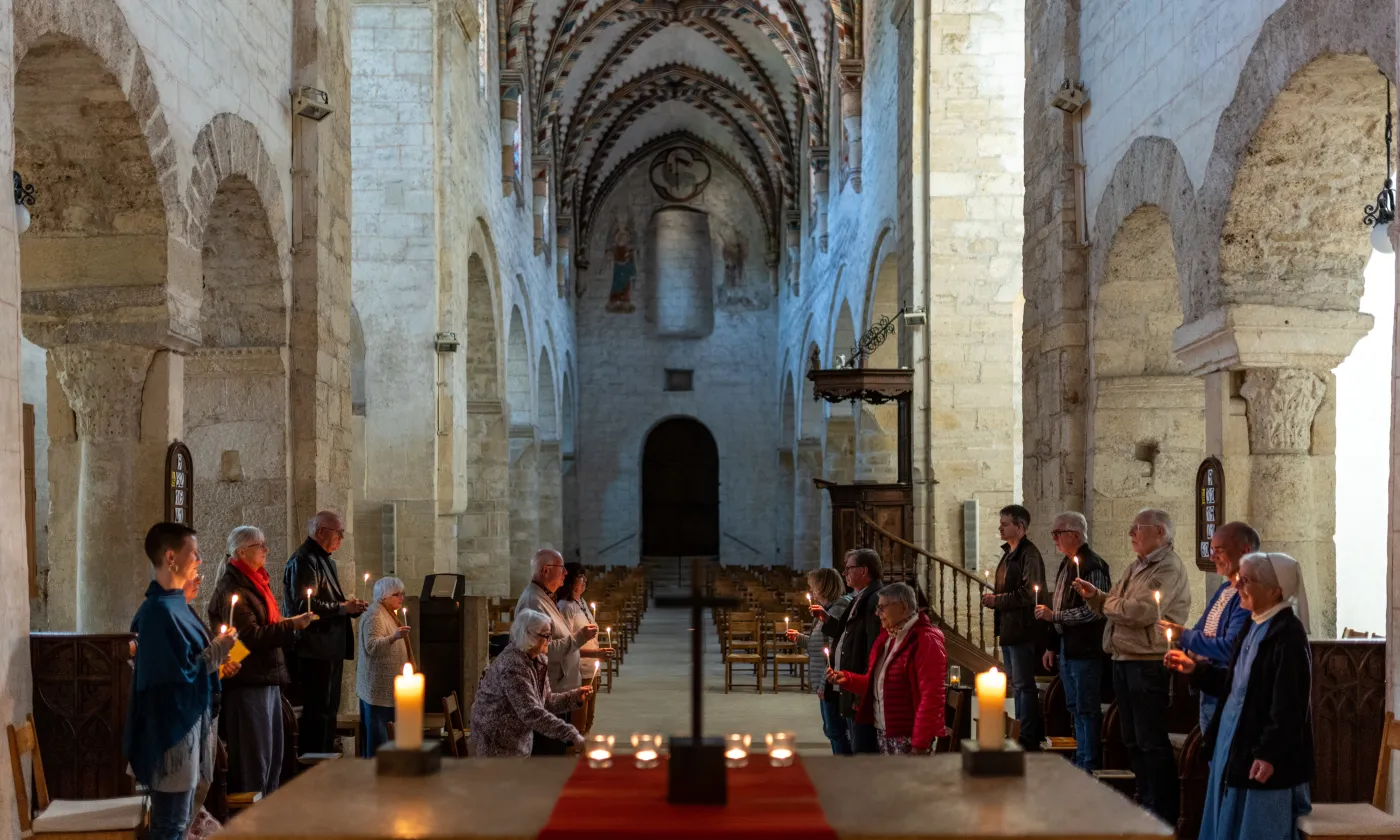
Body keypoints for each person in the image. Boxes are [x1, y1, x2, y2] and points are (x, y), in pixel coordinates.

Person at [1165, 552, 1313, 840]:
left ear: (1275, 590)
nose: (1236, 587)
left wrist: (1269, 754)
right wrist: (1195, 669)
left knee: (1256, 828)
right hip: (1234, 744)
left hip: (1263, 754)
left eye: (1246, 580)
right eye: (1238, 579)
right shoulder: (1253, 624)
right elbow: (1238, 685)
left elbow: (1288, 705)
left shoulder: (1287, 635)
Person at [1073, 508, 1190, 826]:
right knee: (1132, 739)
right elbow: (1116, 602)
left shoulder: (1167, 569)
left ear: (1161, 533)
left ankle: (1161, 811)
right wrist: (1095, 596)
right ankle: (1145, 801)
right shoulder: (1137, 566)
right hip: (1124, 659)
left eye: (1138, 527)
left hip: (1148, 663)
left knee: (1150, 740)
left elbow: (1142, 612)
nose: (1131, 533)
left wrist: (1108, 603)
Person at [125, 523, 235, 840]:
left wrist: (217, 659)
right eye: (194, 552)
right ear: (171, 557)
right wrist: (218, 651)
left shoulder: (175, 604)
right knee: (170, 825)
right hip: (171, 735)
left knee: (180, 821)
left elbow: (190, 661)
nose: (200, 559)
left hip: (189, 728)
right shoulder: (158, 612)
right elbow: (173, 678)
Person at [206, 526, 313, 795]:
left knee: (273, 752)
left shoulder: (255, 582)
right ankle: (252, 820)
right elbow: (250, 636)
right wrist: (291, 627)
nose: (266, 549)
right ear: (241, 552)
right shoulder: (233, 587)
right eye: (260, 545)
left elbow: (266, 624)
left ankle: (268, 811)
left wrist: (287, 625)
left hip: (266, 677)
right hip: (247, 679)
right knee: (255, 756)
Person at [827, 583, 947, 755]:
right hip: (885, 731)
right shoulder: (887, 638)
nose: (877, 613)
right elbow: (878, 684)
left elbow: (932, 696)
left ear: (903, 607)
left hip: (909, 735)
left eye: (882, 607)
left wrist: (920, 743)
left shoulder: (925, 640)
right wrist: (847, 679)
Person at [283, 511, 367, 755]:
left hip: (330, 648)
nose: (341, 537)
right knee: (317, 713)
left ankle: (326, 758)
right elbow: (304, 607)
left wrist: (349, 609)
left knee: (329, 711)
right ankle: (315, 767)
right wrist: (343, 607)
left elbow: (327, 602)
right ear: (320, 532)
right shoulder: (303, 560)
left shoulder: (326, 560)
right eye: (338, 532)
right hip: (314, 650)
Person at [1161, 521, 1255, 734]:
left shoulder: (1248, 597)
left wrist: (1184, 636)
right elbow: (1201, 630)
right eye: (1212, 551)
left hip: (1226, 689)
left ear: (1245, 551)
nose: (1213, 557)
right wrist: (1188, 650)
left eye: (1219, 551)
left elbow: (1230, 647)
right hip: (1207, 686)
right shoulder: (1224, 589)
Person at [1035, 511, 1110, 771]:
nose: (1054, 537)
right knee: (1074, 707)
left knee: (1086, 708)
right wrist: (1052, 645)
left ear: (1076, 535)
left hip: (1087, 649)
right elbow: (1060, 603)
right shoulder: (1066, 563)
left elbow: (1093, 611)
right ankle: (1079, 759)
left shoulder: (1093, 565)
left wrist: (1053, 616)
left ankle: (1088, 764)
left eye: (1059, 533)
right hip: (1069, 647)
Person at [469, 609, 595, 757]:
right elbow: (531, 712)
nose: (550, 640)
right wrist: (570, 734)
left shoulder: (538, 659)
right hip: (496, 743)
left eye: (550, 635)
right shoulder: (512, 666)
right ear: (529, 636)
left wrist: (575, 697)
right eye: (546, 635)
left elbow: (546, 700)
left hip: (516, 741)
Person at [514, 548, 598, 754]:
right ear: (545, 570)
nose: (566, 573)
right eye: (561, 568)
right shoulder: (533, 601)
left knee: (557, 750)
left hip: (558, 690)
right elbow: (539, 649)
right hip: (548, 693)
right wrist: (579, 638)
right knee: (548, 755)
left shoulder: (544, 597)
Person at [982, 504, 1046, 751]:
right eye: (1001, 523)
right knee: (1016, 684)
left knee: (1023, 685)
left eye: (1005, 523)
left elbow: (1029, 594)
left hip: (1023, 629)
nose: (1000, 527)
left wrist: (996, 600)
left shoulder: (1029, 554)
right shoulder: (1009, 553)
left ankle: (1027, 736)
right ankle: (1020, 731)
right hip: (1010, 629)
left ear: (1021, 527)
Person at [813, 547, 884, 754]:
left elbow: (873, 647)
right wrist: (827, 620)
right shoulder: (859, 597)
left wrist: (861, 692)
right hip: (850, 683)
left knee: (861, 747)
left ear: (863, 570)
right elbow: (847, 634)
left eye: (848, 569)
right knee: (852, 739)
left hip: (858, 686)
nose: (844, 574)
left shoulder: (874, 599)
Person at [786, 567, 854, 754]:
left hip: (832, 683)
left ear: (823, 586)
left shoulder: (838, 610)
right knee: (832, 730)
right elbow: (820, 644)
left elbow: (834, 652)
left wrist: (824, 683)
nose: (811, 591)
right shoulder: (827, 610)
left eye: (813, 586)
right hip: (826, 681)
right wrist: (799, 638)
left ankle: (845, 771)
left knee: (836, 731)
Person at [356, 576, 412, 757]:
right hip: (376, 690)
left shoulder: (387, 613)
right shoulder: (374, 615)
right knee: (377, 742)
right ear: (383, 596)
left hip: (387, 688)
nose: (401, 598)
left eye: (402, 594)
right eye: (396, 595)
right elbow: (372, 647)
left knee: (386, 738)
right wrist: (394, 637)